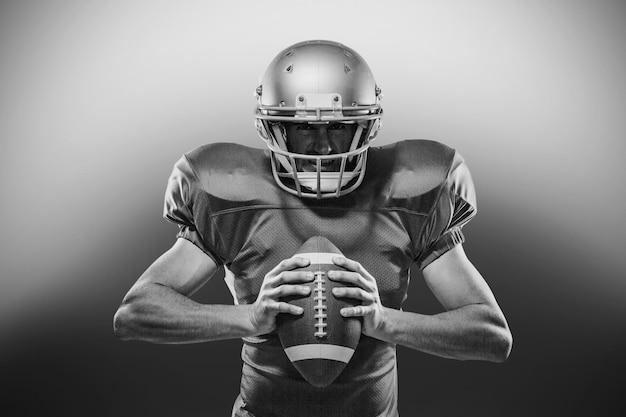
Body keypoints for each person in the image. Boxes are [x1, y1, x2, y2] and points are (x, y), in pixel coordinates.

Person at [113, 39, 512, 417]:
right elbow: (136, 312)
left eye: (338, 127)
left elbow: (492, 335)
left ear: (367, 126)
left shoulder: (408, 190)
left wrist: (385, 321)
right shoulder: (230, 195)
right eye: (304, 127)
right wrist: (250, 317)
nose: (322, 147)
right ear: (273, 128)